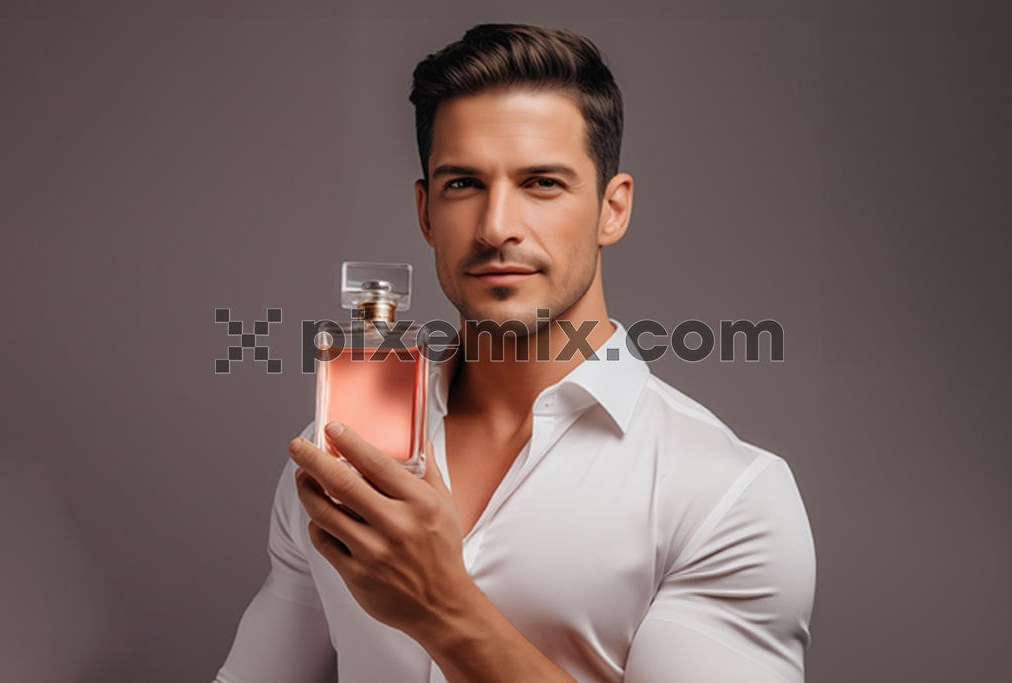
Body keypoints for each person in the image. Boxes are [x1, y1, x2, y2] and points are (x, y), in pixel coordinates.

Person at [214, 23, 816, 683]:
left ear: (612, 209)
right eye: (464, 183)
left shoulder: (723, 493)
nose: (497, 225)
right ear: (425, 213)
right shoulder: (340, 457)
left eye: (543, 183)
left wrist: (443, 606)